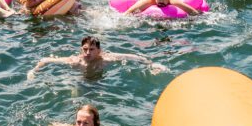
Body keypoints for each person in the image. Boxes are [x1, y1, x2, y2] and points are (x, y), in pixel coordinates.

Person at [28, 36, 166, 80]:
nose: (88, 53)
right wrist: (33, 71)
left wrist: (151, 64)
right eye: (85, 49)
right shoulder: (75, 60)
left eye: (92, 50)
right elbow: (45, 60)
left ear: (99, 51)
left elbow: (134, 57)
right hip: (81, 81)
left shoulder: (106, 58)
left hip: (99, 82)